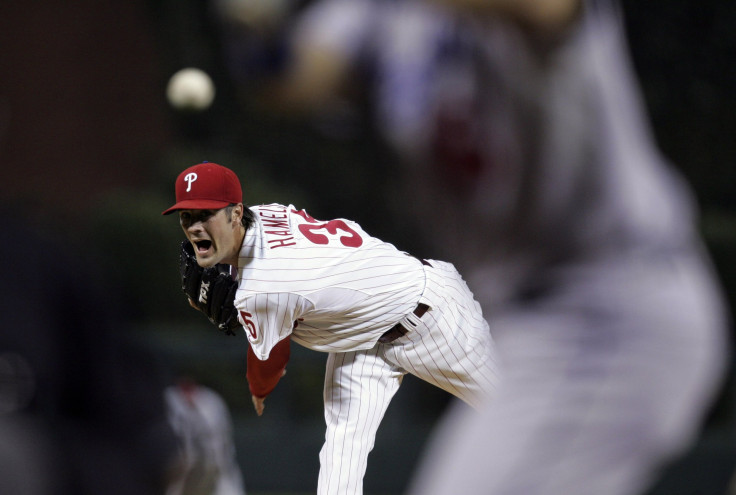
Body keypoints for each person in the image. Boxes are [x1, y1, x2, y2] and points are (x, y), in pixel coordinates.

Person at [249, 0, 731, 494]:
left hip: (613, 305)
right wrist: (258, 31)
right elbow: (295, 78)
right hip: (532, 327)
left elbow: (547, 11)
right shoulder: (375, 16)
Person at [161, 161, 501, 495]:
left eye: (206, 214)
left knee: (516, 409)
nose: (194, 227)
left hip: (432, 316)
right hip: (362, 335)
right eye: (187, 217)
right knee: (342, 456)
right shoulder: (264, 214)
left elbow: (270, 365)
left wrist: (258, 390)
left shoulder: (264, 288)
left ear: (235, 213)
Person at [164, 377, 247, 495]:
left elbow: (220, 435)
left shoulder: (211, 400)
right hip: (180, 462)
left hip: (214, 462)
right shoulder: (169, 399)